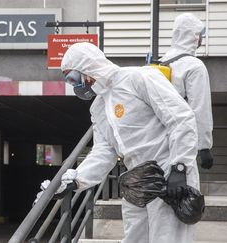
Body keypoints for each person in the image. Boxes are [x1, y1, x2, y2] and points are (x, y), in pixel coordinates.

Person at [57, 42, 200, 243]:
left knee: (168, 237)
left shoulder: (139, 78)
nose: (75, 86)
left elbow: (180, 118)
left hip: (168, 173)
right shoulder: (99, 107)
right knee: (135, 237)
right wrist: (77, 179)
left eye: (73, 78)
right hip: (138, 179)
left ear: (87, 67)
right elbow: (104, 151)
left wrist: (179, 167)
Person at [160, 13, 214, 169]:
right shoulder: (194, 66)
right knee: (186, 187)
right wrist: (204, 147)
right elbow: (200, 108)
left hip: (157, 139)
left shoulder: (161, 62)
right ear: (195, 36)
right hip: (183, 142)